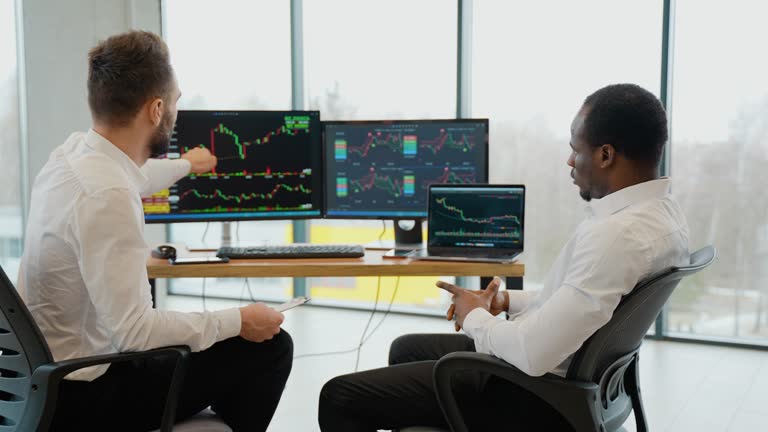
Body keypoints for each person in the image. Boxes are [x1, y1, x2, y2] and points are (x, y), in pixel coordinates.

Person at [318, 83, 690, 431]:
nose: (569, 160)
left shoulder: (616, 235)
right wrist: (506, 300)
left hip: (534, 395)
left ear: (606, 154)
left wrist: (475, 315)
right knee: (406, 348)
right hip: (574, 380)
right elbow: (582, 298)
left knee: (339, 397)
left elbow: (533, 353)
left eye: (576, 148)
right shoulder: (664, 217)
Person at [18, 31, 292, 432]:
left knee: (219, 347)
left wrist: (186, 165)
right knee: (269, 347)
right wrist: (238, 320)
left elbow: (136, 177)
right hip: (84, 398)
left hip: (42, 381)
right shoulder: (108, 194)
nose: (177, 111)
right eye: (177, 101)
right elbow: (134, 331)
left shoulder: (73, 155)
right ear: (156, 108)